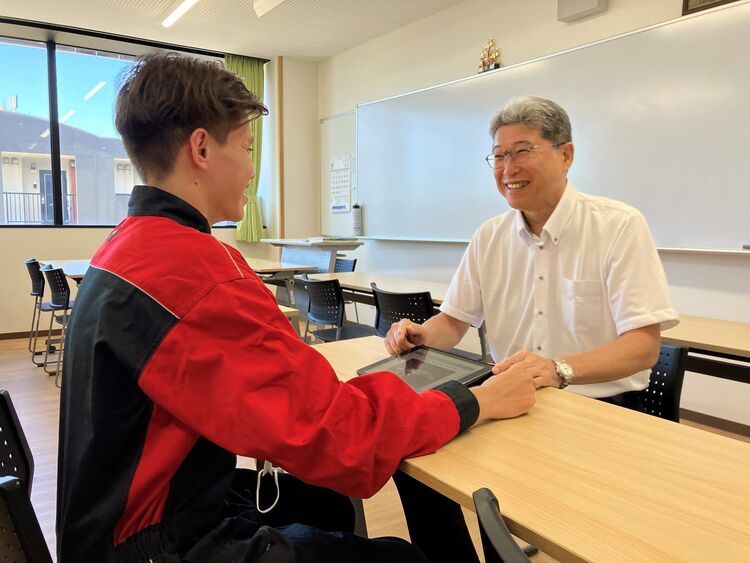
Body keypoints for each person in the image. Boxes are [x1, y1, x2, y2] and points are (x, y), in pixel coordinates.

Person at [55, 53, 537, 562]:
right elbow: (345, 439)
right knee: (402, 556)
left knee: (323, 501)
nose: (249, 169)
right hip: (157, 544)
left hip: (116, 527)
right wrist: (474, 400)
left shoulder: (126, 247)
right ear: (200, 148)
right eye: (246, 148)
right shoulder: (197, 271)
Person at [384, 96, 679, 562]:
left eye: (521, 151)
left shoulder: (618, 226)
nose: (507, 168)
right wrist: (420, 334)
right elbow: (454, 323)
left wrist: (558, 369)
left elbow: (642, 348)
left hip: (601, 412)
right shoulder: (489, 236)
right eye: (498, 156)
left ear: (566, 155)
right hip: (512, 406)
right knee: (413, 458)